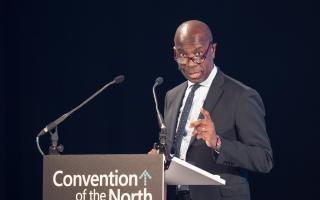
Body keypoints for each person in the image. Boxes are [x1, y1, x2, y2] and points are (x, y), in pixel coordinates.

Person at [150, 20, 273, 200]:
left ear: (212, 50)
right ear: (175, 53)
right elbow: (174, 151)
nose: (191, 63)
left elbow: (264, 159)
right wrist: (159, 158)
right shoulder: (172, 96)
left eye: (198, 54)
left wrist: (217, 143)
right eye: (183, 55)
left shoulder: (242, 96)